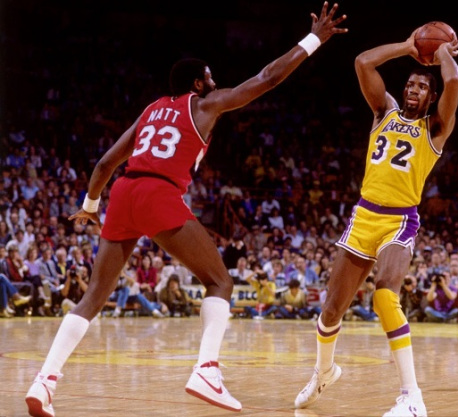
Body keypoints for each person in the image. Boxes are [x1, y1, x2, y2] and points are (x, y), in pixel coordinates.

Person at [24, 5, 347, 415]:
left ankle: (44, 382)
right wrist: (315, 38)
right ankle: (206, 371)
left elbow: (105, 164)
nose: (215, 83)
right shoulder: (204, 106)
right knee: (220, 282)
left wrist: (90, 206)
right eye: (210, 77)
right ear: (197, 83)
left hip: (123, 191)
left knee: (93, 296)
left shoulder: (149, 111)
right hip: (158, 194)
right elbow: (268, 78)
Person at [294, 25, 458, 417]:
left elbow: (453, 80)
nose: (414, 89)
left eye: (422, 86)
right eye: (411, 84)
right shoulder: (384, 111)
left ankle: (412, 397)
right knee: (330, 311)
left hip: (399, 221)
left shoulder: (435, 127)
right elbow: (363, 62)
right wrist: (406, 46)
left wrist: (442, 53)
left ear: (431, 96)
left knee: (385, 295)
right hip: (363, 216)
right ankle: (323, 371)